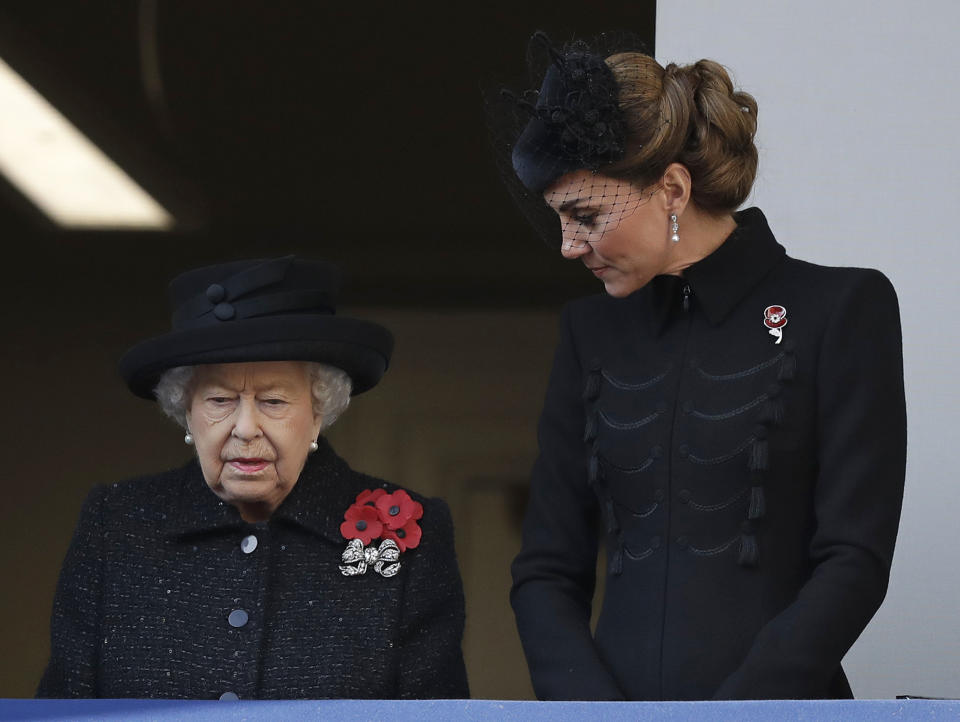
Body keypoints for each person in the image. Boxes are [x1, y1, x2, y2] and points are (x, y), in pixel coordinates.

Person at [499, 33, 906, 700]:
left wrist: (741, 718)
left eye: (586, 215)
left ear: (673, 189)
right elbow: (546, 568)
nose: (569, 246)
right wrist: (595, 719)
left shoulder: (841, 308)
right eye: (559, 221)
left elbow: (855, 559)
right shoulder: (588, 332)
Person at [37, 256, 469, 700]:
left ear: (319, 412)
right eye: (220, 399)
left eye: (274, 401)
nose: (245, 428)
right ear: (186, 410)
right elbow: (63, 708)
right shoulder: (118, 523)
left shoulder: (409, 534)